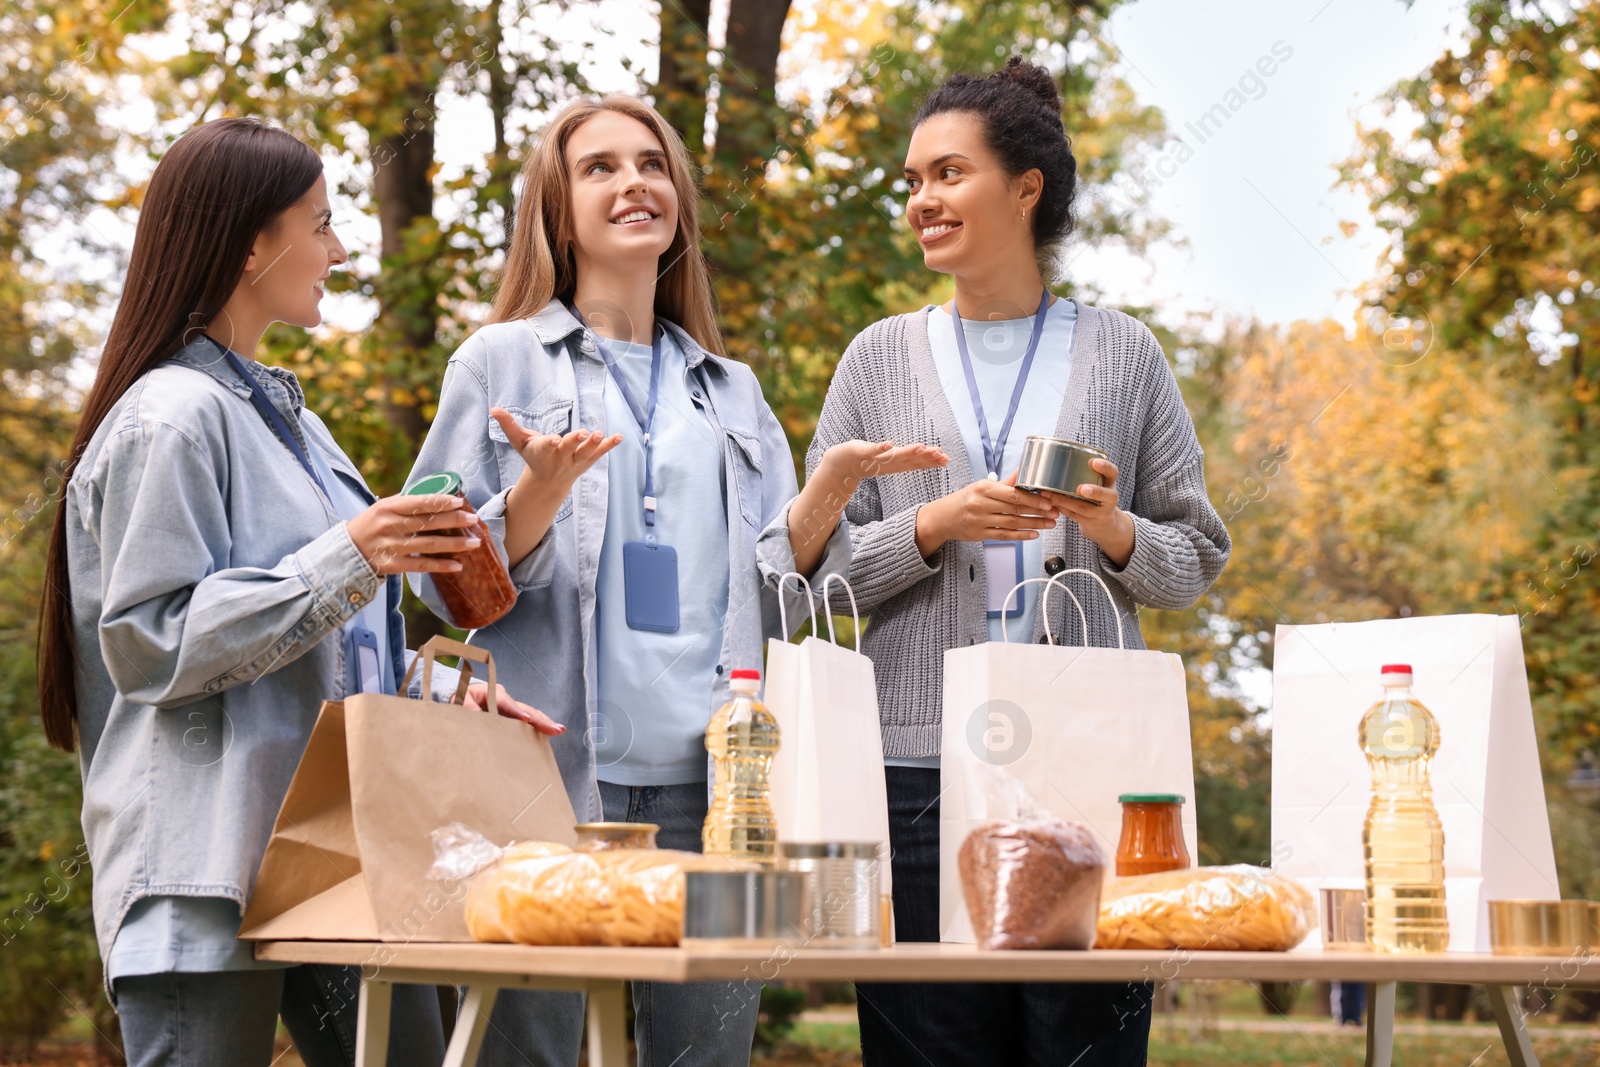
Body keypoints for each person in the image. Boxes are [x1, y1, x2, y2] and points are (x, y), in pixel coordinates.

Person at [405, 93, 945, 1067]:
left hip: (719, 790)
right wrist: (535, 495)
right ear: (556, 211)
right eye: (599, 167)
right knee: (525, 1054)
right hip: (550, 787)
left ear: (679, 203)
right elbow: (433, 576)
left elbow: (785, 589)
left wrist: (823, 493)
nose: (633, 183)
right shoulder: (498, 362)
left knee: (706, 1056)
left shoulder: (730, 390)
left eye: (650, 164)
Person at [37, 116, 563, 1067]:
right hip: (202, 870)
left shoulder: (298, 430)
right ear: (252, 243)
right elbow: (154, 640)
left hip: (339, 862)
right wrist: (349, 554)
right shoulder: (170, 416)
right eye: (321, 224)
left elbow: (327, 642)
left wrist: (443, 689)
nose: (341, 247)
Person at [807, 58, 1232, 1065]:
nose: (921, 201)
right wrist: (934, 524)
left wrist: (1114, 526)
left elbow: (1196, 556)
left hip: (1086, 759)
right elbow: (811, 583)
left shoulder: (1124, 353)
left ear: (1025, 187)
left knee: (1084, 1047)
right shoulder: (875, 357)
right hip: (914, 766)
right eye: (912, 181)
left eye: (948, 175)